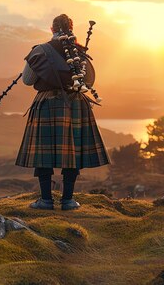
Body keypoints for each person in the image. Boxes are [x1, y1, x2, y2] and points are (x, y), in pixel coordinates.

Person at [16, 14, 110, 211]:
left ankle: (45, 200)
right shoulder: (79, 53)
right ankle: (67, 200)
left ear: (52, 29)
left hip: (47, 103)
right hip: (76, 104)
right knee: (72, 152)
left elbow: (27, 80)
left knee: (44, 153)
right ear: (71, 28)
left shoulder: (40, 51)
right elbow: (90, 80)